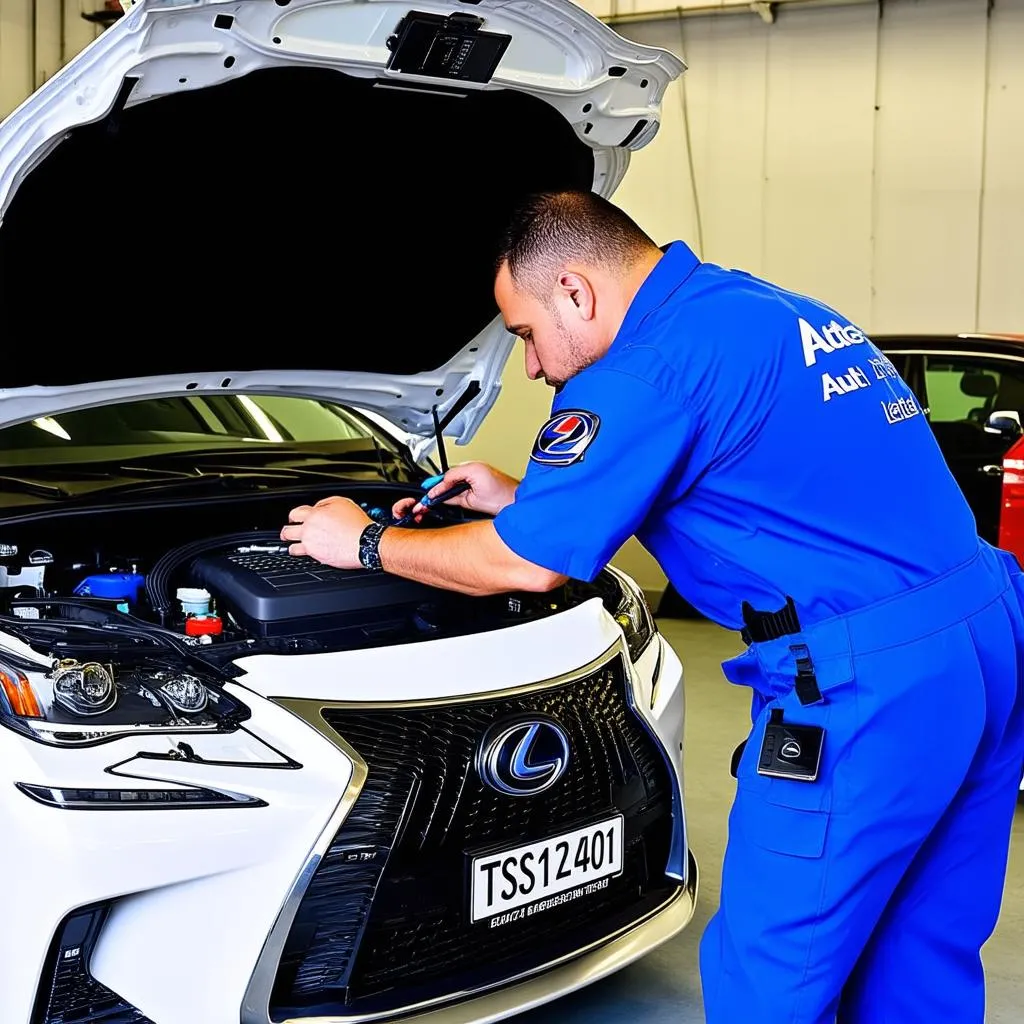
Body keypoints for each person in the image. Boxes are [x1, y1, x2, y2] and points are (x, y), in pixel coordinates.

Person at [280, 190, 1024, 1023]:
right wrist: (524, 497)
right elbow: (755, 486)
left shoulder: (642, 370)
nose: (530, 365)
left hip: (864, 683)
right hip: (982, 633)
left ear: (575, 289)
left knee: (774, 974)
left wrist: (363, 544)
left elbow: (527, 569)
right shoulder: (761, 309)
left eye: (524, 333)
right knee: (922, 950)